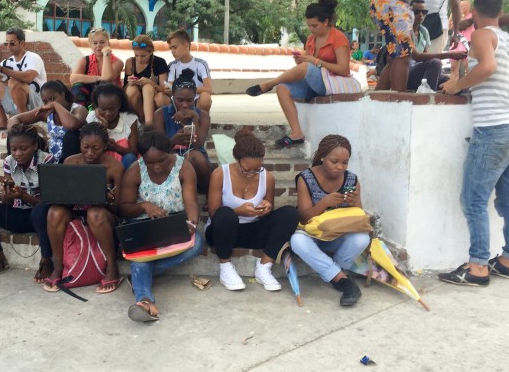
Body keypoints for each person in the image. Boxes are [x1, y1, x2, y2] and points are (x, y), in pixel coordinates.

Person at [439, 0, 509, 286]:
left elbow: (488, 67)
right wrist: (502, 92)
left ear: (475, 13)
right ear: (500, 9)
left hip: (492, 129)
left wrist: (457, 86)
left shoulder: (482, 35)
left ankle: (478, 266)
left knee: (473, 199)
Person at [244, 0, 354, 146]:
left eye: (314, 26)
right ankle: (296, 133)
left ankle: (268, 84)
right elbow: (309, 62)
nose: (311, 29)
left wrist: (316, 62)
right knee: (282, 88)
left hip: (331, 83)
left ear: (326, 22)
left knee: (305, 67)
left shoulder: (338, 38)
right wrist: (303, 59)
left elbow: (344, 69)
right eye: (309, 25)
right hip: (314, 82)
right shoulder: (311, 39)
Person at [119, 130, 203, 321]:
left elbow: (191, 202)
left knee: (196, 243)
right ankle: (145, 300)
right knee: (140, 254)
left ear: (170, 152)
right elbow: (123, 208)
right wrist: (144, 205)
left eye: (161, 161)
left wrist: (192, 222)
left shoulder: (184, 167)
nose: (156, 166)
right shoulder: (135, 170)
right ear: (142, 158)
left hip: (173, 223)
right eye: (150, 162)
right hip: (142, 225)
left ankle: (141, 276)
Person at [206, 130, 300, 292]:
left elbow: (269, 208)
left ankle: (264, 266)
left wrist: (266, 208)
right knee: (225, 214)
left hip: (253, 233)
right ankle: (225, 266)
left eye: (257, 169)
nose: (251, 174)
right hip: (222, 234)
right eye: (246, 169)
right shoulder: (221, 174)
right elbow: (214, 213)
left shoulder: (267, 177)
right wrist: (238, 211)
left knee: (290, 213)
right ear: (237, 160)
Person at [44, 123, 124, 294]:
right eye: (85, 147)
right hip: (76, 211)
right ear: (80, 142)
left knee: (94, 213)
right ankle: (58, 265)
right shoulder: (70, 161)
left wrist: (106, 200)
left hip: (103, 214)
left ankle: (112, 266)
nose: (90, 153)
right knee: (54, 212)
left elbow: (120, 207)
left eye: (96, 148)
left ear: (105, 145)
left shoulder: (115, 167)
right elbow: (63, 195)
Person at [289, 135, 369, 306]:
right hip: (313, 237)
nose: (340, 167)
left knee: (362, 238)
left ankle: (334, 273)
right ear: (323, 157)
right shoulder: (306, 178)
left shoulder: (351, 179)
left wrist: (356, 204)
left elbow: (358, 218)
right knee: (297, 240)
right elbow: (303, 217)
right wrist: (325, 203)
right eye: (334, 161)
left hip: (337, 237)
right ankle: (342, 279)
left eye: (345, 162)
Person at [0, 124, 54, 282]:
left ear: (35, 146)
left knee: (40, 210)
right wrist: (7, 194)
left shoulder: (47, 160)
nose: (18, 154)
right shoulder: (9, 162)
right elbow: (7, 204)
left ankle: (46, 260)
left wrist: (23, 196)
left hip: (42, 218)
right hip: (19, 215)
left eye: (23, 148)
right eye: (13, 149)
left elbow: (49, 201)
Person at [153, 69, 212, 192]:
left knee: (195, 156)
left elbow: (197, 145)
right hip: (170, 155)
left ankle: (208, 193)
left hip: (195, 158)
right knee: (173, 158)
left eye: (189, 100)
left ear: (195, 97)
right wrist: (174, 140)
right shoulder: (160, 114)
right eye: (180, 100)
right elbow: (159, 147)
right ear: (172, 96)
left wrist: (195, 118)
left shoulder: (203, 116)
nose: (185, 105)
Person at [0, 28, 47, 130]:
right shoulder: (7, 62)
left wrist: (2, 69)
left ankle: (23, 122)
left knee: (14, 82)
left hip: (36, 105)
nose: (8, 46)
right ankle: (3, 121)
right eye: (6, 43)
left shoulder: (32, 57)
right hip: (17, 101)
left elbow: (28, 77)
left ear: (22, 43)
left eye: (12, 43)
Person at [9, 80, 87, 163]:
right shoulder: (47, 113)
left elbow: (72, 125)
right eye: (45, 102)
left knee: (71, 136)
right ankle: (15, 170)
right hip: (51, 157)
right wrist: (20, 132)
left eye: (52, 99)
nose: (49, 104)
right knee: (15, 136)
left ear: (63, 95)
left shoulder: (78, 109)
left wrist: (55, 105)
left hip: (72, 157)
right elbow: (14, 119)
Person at [407, 0, 466, 91]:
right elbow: (416, 56)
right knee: (436, 63)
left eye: (424, 12)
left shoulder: (424, 31)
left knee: (453, 82)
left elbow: (425, 56)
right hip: (406, 74)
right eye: (417, 11)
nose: (421, 15)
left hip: (421, 73)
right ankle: (428, 97)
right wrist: (449, 54)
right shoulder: (405, 30)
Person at [86, 83, 139, 169]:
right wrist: (103, 128)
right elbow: (90, 148)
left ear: (119, 105)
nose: (108, 113)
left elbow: (134, 152)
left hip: (123, 165)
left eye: (112, 109)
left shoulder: (130, 119)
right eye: (103, 109)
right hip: (100, 164)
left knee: (130, 158)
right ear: (97, 105)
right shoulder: (92, 117)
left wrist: (116, 148)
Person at [69, 27, 123, 107]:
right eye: (95, 43)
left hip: (109, 98)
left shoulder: (118, 62)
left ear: (108, 43)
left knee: (104, 84)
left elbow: (107, 78)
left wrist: (106, 54)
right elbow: (73, 79)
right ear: (90, 45)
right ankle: (79, 112)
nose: (98, 45)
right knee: (78, 86)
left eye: (102, 42)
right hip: (89, 97)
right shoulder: (85, 60)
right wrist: (97, 78)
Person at [123, 34, 170, 126]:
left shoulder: (159, 62)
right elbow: (124, 91)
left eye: (143, 56)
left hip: (154, 100)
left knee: (147, 88)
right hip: (137, 102)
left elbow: (164, 90)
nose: (139, 59)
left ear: (151, 51)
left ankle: (149, 125)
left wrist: (150, 83)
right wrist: (129, 83)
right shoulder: (130, 62)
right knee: (131, 89)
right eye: (136, 55)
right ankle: (139, 121)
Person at [166, 29, 213, 112]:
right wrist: (168, 87)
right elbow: (169, 86)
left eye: (175, 47)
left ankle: (199, 122)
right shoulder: (172, 66)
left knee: (205, 97)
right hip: (178, 101)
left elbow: (209, 89)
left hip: (195, 100)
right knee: (161, 98)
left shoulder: (201, 64)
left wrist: (188, 88)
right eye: (171, 48)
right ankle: (172, 122)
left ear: (186, 46)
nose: (172, 51)